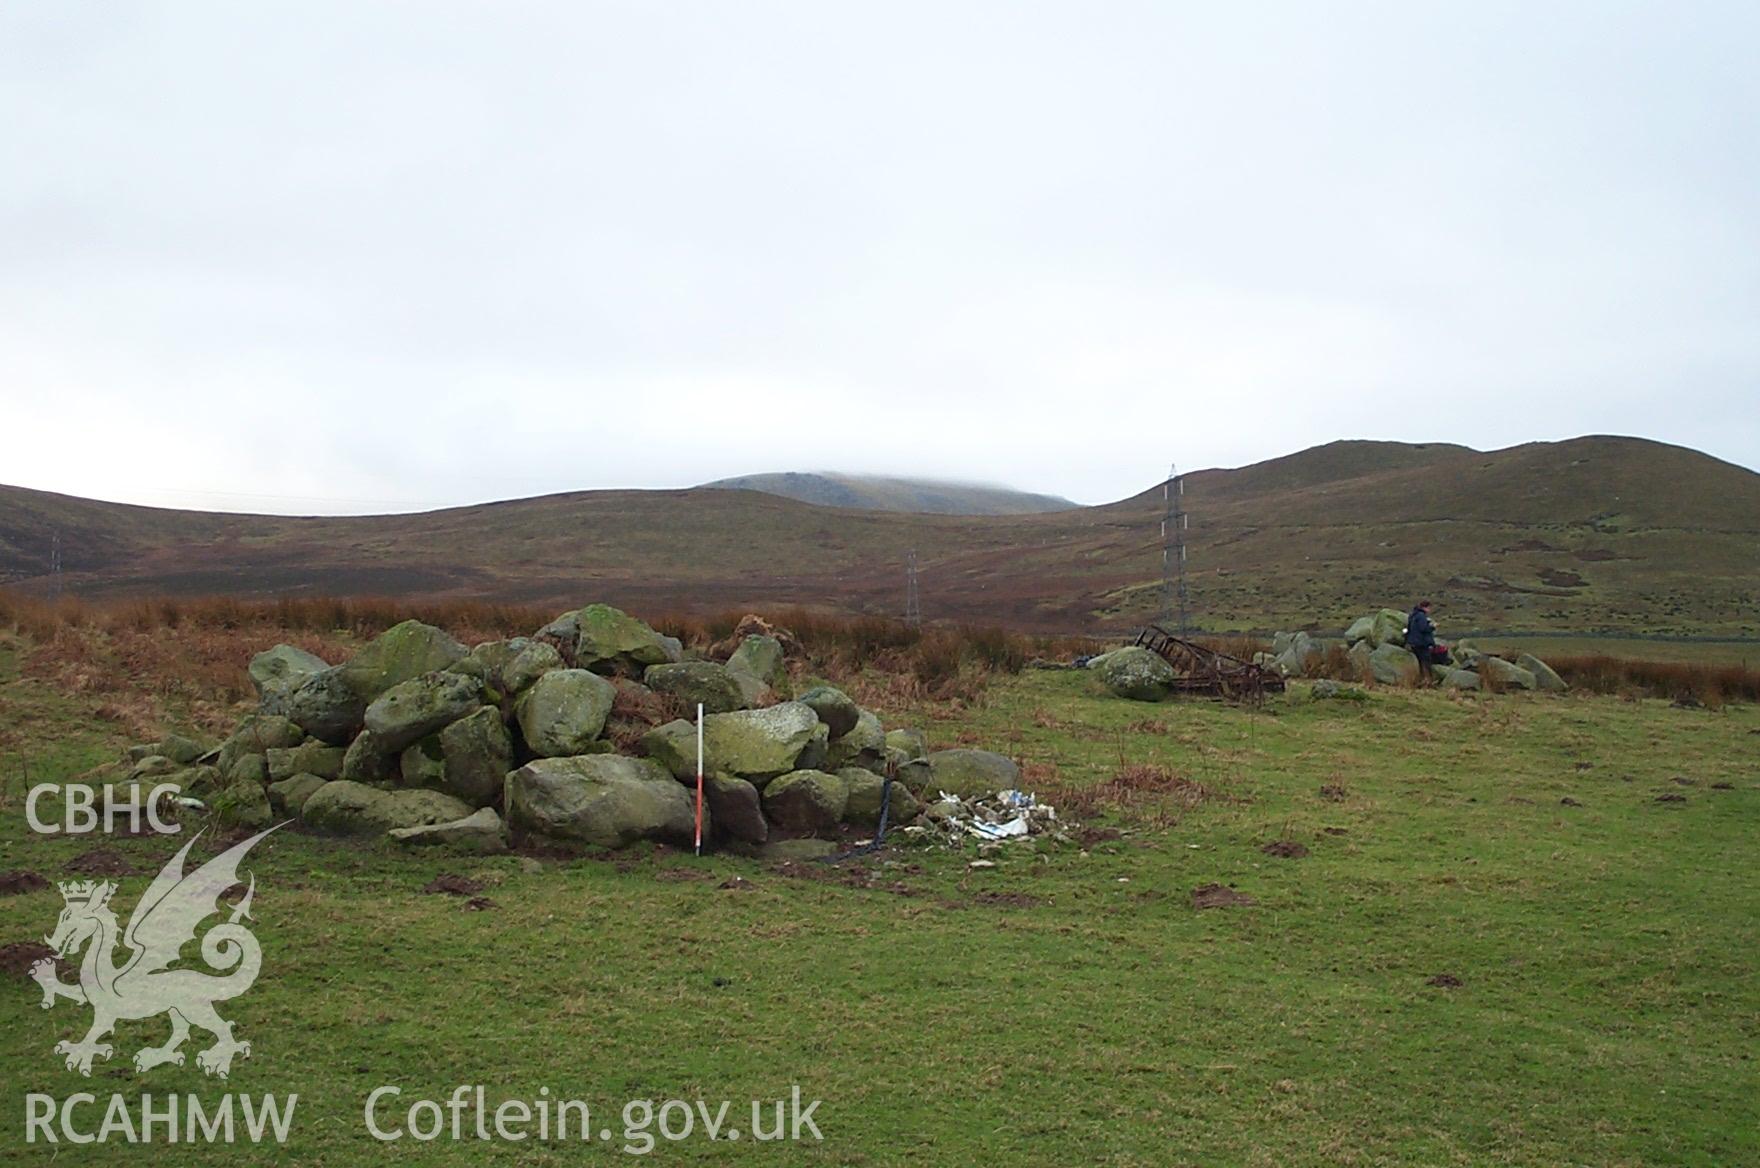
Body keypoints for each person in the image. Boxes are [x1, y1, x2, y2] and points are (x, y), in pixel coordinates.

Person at [1406, 600, 1439, 685]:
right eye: (1429, 608)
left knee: (1420, 662)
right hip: (1421, 643)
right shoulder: (1421, 616)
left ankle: (1421, 680)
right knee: (1426, 661)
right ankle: (1428, 680)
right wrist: (1432, 627)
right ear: (1426, 607)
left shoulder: (1413, 615)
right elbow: (1423, 629)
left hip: (1414, 642)